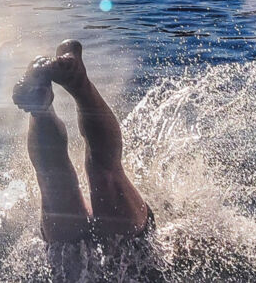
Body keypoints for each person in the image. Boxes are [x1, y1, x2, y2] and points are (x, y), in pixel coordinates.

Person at [12, 40, 152, 243]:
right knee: (104, 174)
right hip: (132, 251)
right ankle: (75, 85)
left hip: (68, 259)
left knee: (56, 180)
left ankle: (43, 107)